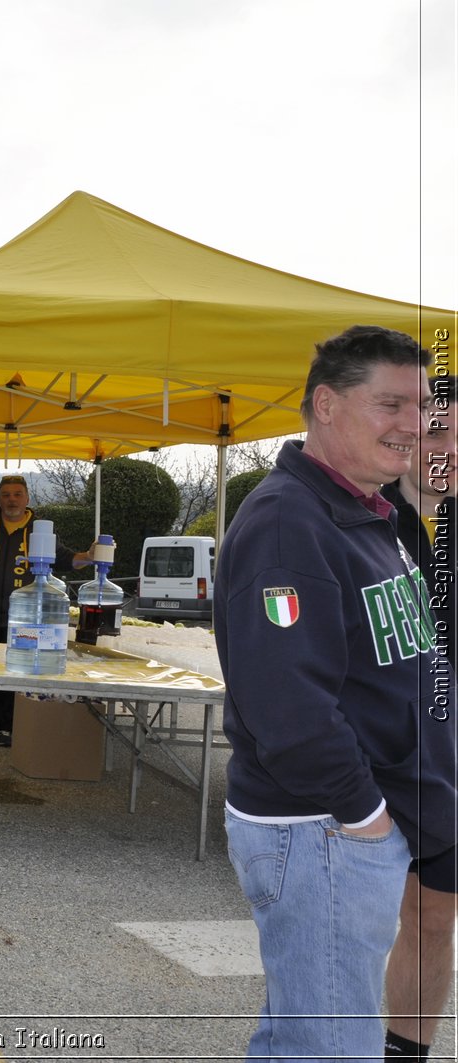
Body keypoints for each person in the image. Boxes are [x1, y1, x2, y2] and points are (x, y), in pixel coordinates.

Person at [216, 325, 455, 1062]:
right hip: (320, 829)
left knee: (313, 1033)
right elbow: (287, 708)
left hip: (344, 832)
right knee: (323, 1048)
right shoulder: (291, 521)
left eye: (420, 406)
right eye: (391, 404)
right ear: (326, 404)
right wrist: (367, 817)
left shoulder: (369, 514)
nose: (412, 425)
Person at [381, 373, 456, 1061]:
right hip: (378, 761)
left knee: (434, 917)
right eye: (438, 430)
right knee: (348, 924)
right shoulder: (362, 518)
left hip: (450, 766)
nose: (449, 449)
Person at [0, 474, 90, 746]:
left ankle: (5, 728)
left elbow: (68, 559)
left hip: (23, 616)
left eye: (17, 494)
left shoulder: (41, 530)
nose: (11, 499)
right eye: (6, 494)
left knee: (15, 670)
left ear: (27, 498)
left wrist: (92, 556)